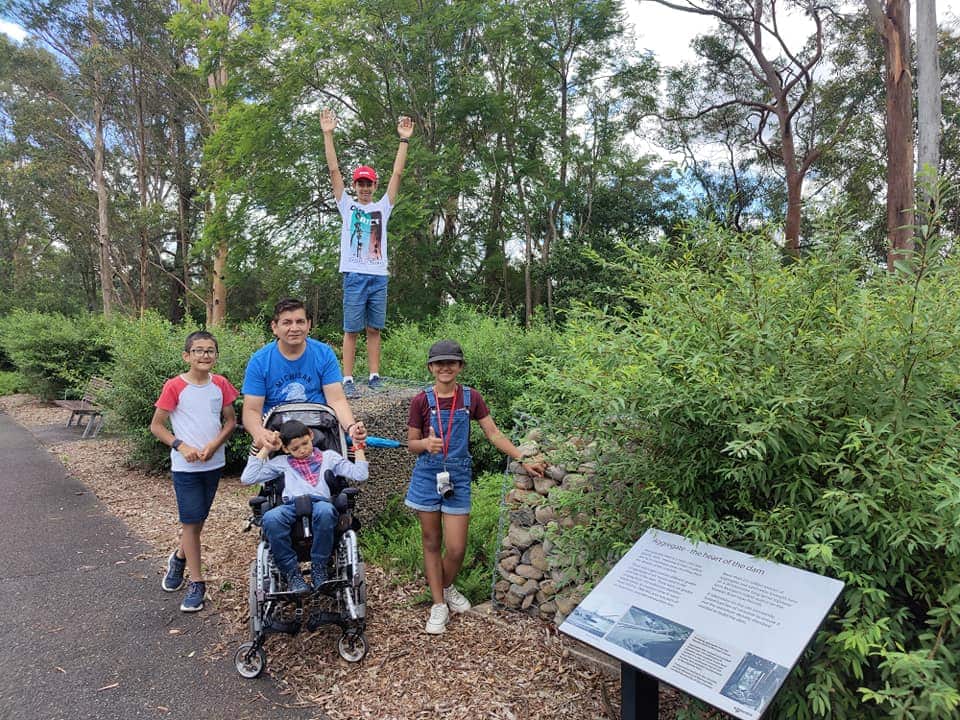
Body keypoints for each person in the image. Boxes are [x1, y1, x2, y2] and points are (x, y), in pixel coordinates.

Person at [405, 339, 546, 634]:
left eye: (451, 362)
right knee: (431, 542)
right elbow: (411, 444)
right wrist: (425, 444)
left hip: (457, 477)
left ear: (460, 367)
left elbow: (493, 433)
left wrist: (522, 457)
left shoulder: (471, 398)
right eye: (439, 363)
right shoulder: (421, 401)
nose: (445, 367)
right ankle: (438, 605)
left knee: (456, 548)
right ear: (431, 367)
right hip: (426, 475)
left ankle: (444, 587)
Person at [320, 107, 415, 399]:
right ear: (354, 186)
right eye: (359, 183)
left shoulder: (382, 206)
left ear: (374, 186)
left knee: (375, 328)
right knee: (351, 329)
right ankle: (347, 378)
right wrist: (328, 134)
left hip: (378, 276)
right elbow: (334, 170)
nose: (363, 188)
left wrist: (404, 140)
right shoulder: (347, 206)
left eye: (368, 183)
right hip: (354, 275)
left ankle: (375, 375)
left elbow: (398, 173)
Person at [150, 331, 239, 612]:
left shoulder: (221, 385)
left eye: (210, 350)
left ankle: (179, 557)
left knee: (198, 521)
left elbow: (231, 421)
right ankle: (197, 582)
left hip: (214, 464)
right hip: (185, 468)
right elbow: (157, 426)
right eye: (198, 351)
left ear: (216, 355)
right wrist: (180, 445)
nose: (205, 355)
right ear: (187, 356)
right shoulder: (175, 386)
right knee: (191, 523)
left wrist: (214, 445)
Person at [241, 419, 368, 592]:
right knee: (270, 518)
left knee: (325, 511)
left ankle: (319, 567)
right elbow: (247, 478)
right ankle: (292, 574)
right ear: (285, 449)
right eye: (295, 448)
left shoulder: (329, 457)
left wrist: (358, 447)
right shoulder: (282, 462)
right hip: (290, 505)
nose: (302, 450)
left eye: (305, 443)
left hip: (320, 503)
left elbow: (360, 475)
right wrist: (267, 448)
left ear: (311, 435)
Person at [241, 298, 367, 452]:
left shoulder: (324, 354)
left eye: (300, 322)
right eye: (287, 322)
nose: (294, 328)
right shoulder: (260, 361)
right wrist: (259, 433)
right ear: (275, 327)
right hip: (278, 433)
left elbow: (336, 399)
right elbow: (251, 410)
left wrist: (351, 426)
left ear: (308, 325)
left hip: (319, 430)